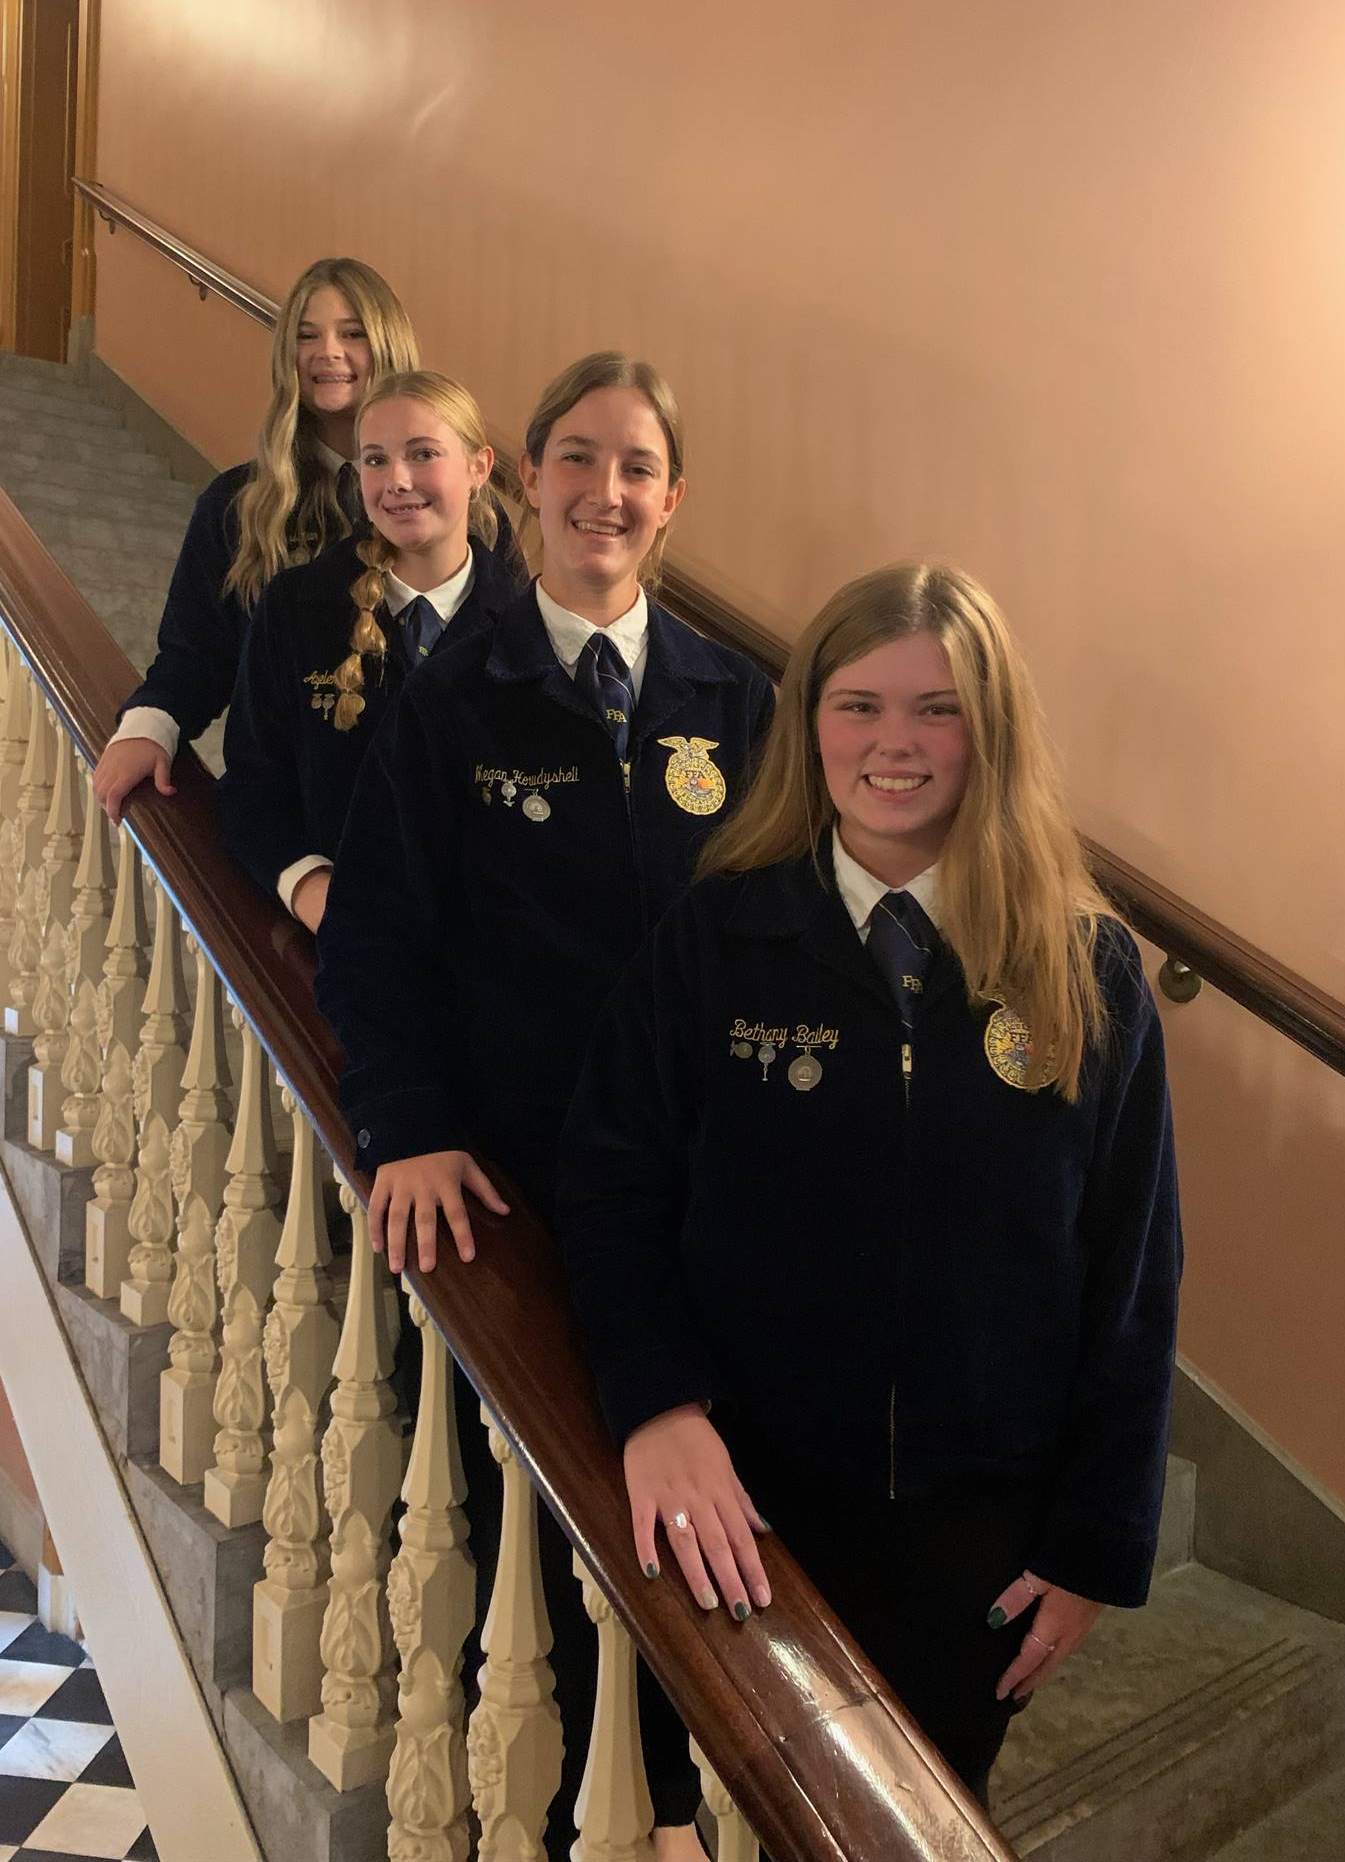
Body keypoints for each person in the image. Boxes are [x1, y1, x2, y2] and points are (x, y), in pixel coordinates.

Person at [554, 561, 1182, 1810]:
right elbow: (608, 1187)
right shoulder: (716, 941)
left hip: (980, 1533)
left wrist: (1097, 1543)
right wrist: (657, 1404)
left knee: (911, 1824)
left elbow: (1133, 1271)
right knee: (721, 1822)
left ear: (989, 733)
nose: (895, 743)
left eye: (937, 710)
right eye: (859, 705)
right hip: (745, 1509)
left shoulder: (1087, 967)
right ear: (809, 724)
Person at [316, 351, 774, 1856]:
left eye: (637, 466)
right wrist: (405, 1123)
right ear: (528, 476)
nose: (606, 491)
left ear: (672, 499)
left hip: (717, 1187)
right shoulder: (460, 693)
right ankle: (617, 1798)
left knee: (720, 1484)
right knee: (578, 1495)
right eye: (578, 458)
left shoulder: (737, 699)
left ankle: (708, 1789)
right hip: (529, 1189)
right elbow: (378, 938)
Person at [92, 257, 419, 823]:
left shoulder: (457, 506)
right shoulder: (236, 505)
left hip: (426, 816)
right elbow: (196, 654)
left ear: (388, 344)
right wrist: (149, 727)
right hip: (288, 820)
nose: (328, 352)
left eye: (352, 334)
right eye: (307, 335)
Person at [216, 370, 523, 929]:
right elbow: (249, 789)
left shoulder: (534, 633)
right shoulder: (296, 607)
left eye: (423, 453)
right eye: (376, 460)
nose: (397, 481)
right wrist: (310, 888)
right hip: (330, 950)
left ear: (479, 467)